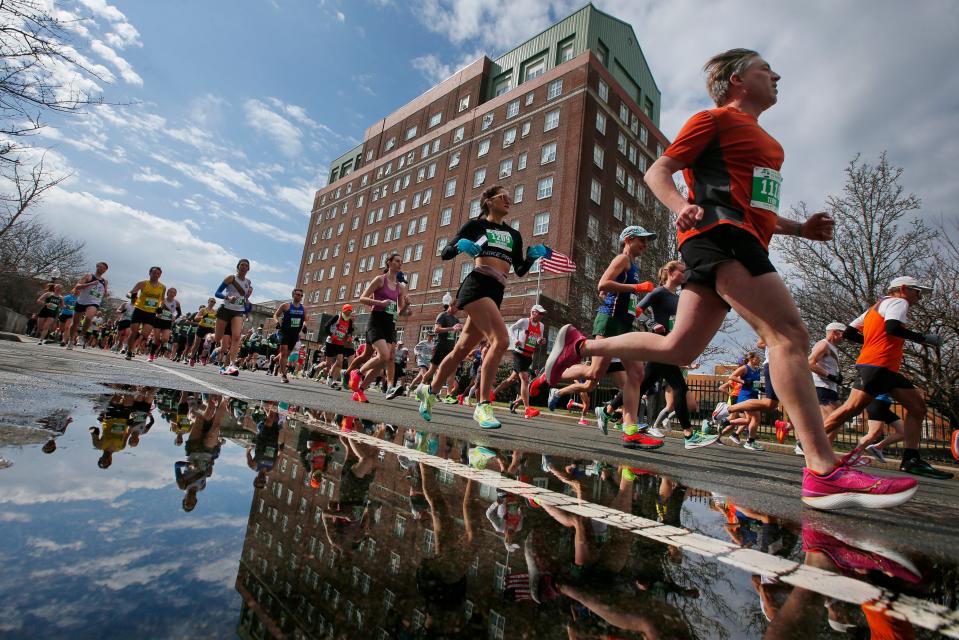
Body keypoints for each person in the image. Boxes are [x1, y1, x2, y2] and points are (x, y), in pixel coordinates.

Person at [543, 48, 917, 510]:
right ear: (736, 79)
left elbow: (758, 208)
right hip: (718, 235)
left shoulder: (770, 145)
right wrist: (682, 208)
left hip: (741, 237)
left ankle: (581, 347)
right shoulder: (713, 120)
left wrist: (799, 229)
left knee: (680, 349)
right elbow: (658, 171)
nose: (777, 75)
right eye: (765, 69)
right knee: (789, 337)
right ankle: (822, 469)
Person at [416, 184, 551, 429]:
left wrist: (532, 257)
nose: (508, 200)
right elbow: (445, 253)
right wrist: (460, 246)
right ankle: (482, 406)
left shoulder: (514, 235)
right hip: (477, 286)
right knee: (500, 340)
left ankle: (429, 391)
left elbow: (519, 270)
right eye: (503, 197)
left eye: (509, 197)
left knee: (460, 350)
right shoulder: (475, 226)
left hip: (496, 291)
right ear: (488, 201)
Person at [540, 226, 662, 450]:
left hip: (625, 325)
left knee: (636, 374)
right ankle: (546, 376)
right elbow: (602, 283)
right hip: (609, 322)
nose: (645, 245)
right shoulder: (622, 259)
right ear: (629, 239)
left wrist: (647, 320)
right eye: (642, 240)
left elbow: (615, 293)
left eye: (646, 241)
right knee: (593, 373)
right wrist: (635, 287)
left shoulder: (632, 266)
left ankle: (630, 432)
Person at [824, 276, 951, 479]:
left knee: (918, 408)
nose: (919, 297)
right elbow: (892, 327)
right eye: (917, 291)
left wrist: (872, 342)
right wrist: (924, 339)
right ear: (902, 289)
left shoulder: (876, 306)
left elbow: (848, 332)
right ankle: (809, 440)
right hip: (878, 366)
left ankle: (911, 459)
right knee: (851, 408)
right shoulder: (899, 302)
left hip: (885, 368)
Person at [351, 253, 409, 402]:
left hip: (389, 323)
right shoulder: (380, 279)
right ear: (389, 263)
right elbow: (362, 298)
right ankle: (357, 374)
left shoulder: (400, 287)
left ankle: (360, 390)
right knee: (383, 355)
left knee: (383, 360)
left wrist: (407, 304)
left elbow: (400, 311)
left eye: (401, 262)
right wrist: (380, 303)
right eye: (397, 261)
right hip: (376, 320)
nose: (399, 263)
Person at [491, 304, 547, 419]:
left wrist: (541, 341)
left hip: (528, 356)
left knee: (511, 379)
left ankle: (492, 394)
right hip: (519, 354)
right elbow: (511, 328)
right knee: (525, 379)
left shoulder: (541, 326)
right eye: (540, 313)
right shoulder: (524, 321)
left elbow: (537, 340)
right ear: (533, 312)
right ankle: (527, 409)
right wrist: (515, 340)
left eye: (542, 314)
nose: (542, 315)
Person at [213, 258, 253, 376]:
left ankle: (232, 364)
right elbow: (217, 293)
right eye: (242, 265)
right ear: (238, 267)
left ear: (248, 269)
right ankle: (211, 337)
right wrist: (227, 297)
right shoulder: (231, 278)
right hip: (225, 310)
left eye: (246, 266)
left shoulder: (248, 282)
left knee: (236, 337)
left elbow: (244, 297)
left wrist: (246, 304)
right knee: (218, 337)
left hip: (238, 312)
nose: (244, 267)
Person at [719, 351, 764, 450]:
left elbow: (755, 384)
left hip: (754, 396)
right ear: (752, 359)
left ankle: (726, 422)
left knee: (748, 420)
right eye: (758, 357)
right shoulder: (745, 368)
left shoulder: (757, 370)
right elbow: (732, 376)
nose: (760, 359)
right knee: (756, 418)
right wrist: (743, 381)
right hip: (746, 396)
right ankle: (750, 442)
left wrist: (762, 389)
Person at [416, 301, 462, 399]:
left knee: (452, 370)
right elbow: (436, 329)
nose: (457, 310)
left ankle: (449, 395)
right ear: (451, 305)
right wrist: (451, 328)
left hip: (450, 348)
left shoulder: (456, 319)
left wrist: (461, 328)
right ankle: (420, 388)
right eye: (456, 307)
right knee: (432, 370)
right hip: (440, 346)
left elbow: (458, 330)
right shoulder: (442, 315)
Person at [809, 322, 846, 427]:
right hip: (821, 386)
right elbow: (810, 363)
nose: (844, 337)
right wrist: (831, 376)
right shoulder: (823, 344)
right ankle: (804, 443)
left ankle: (825, 443)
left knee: (839, 418)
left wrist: (837, 376)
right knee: (831, 419)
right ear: (834, 332)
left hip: (830, 387)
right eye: (843, 334)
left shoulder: (833, 347)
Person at [125, 266, 166, 360]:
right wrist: (131, 296)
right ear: (149, 273)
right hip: (139, 310)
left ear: (160, 275)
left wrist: (160, 307)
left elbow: (162, 300)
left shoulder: (162, 287)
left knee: (144, 335)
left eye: (158, 273)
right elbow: (129, 293)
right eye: (154, 273)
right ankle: (129, 351)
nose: (156, 275)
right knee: (134, 332)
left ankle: (132, 348)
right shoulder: (142, 284)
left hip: (151, 313)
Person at [272, 288, 307, 383]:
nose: (299, 297)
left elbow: (305, 319)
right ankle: (283, 375)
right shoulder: (286, 306)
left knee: (287, 354)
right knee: (284, 354)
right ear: (293, 295)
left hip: (294, 334)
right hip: (284, 332)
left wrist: (304, 325)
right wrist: (276, 322)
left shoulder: (303, 308)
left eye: (301, 295)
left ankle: (274, 360)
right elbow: (275, 315)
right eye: (297, 295)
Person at [73, 262, 109, 347]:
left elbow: (105, 292)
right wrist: (90, 283)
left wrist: (106, 294)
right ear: (97, 267)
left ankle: (81, 336)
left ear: (105, 270)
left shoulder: (105, 281)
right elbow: (77, 286)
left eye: (104, 268)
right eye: (100, 267)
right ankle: (71, 340)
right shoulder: (88, 276)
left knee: (89, 318)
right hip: (82, 301)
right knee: (75, 323)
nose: (101, 269)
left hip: (94, 302)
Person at [321, 303, 355, 388]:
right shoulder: (337, 317)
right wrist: (332, 335)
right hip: (331, 342)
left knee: (340, 361)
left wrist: (348, 337)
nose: (349, 313)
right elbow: (326, 327)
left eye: (350, 311)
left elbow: (350, 330)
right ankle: (318, 369)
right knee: (328, 363)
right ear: (344, 310)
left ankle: (333, 379)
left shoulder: (349, 320)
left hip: (340, 343)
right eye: (347, 311)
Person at [148, 287, 181, 362]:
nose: (172, 293)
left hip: (167, 322)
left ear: (175, 294)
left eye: (174, 292)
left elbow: (179, 313)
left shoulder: (176, 303)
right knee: (156, 340)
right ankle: (151, 355)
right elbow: (155, 308)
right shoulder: (162, 300)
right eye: (171, 292)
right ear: (167, 292)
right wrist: (158, 313)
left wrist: (174, 317)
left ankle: (160, 346)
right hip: (158, 320)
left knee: (165, 339)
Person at [188, 299, 218, 366]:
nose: (213, 303)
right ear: (208, 302)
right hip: (201, 328)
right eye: (211, 301)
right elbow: (196, 318)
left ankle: (203, 357)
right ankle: (192, 358)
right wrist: (204, 316)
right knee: (196, 345)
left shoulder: (215, 312)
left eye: (214, 302)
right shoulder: (203, 310)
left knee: (208, 342)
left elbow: (216, 320)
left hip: (209, 329)